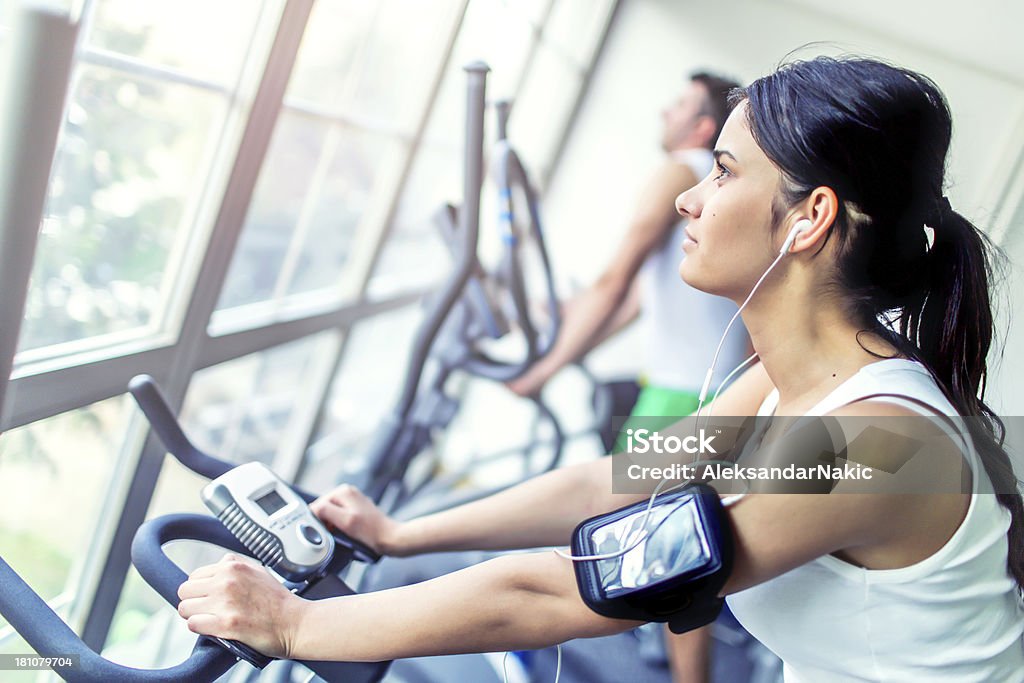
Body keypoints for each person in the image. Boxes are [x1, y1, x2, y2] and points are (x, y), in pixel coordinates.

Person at [176, 56, 1024, 681]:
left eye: (723, 172)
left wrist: (295, 625)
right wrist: (402, 533)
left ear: (810, 218)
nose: (690, 198)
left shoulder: (874, 444)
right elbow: (614, 484)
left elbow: (566, 592)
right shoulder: (788, 377)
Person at [505, 70, 752, 683]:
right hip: (712, 388)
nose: (664, 109)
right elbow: (636, 301)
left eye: (679, 102)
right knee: (671, 551)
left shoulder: (678, 172)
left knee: (647, 548)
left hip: (681, 394)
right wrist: (561, 329)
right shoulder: (712, 186)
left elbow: (616, 277)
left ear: (700, 125)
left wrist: (544, 370)